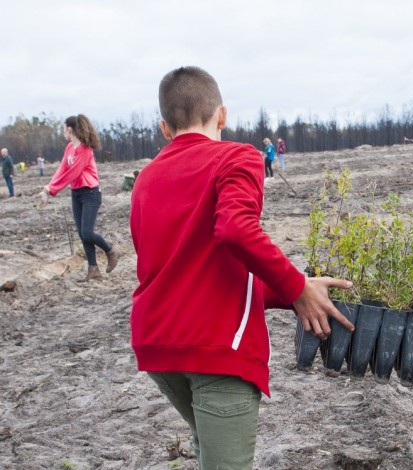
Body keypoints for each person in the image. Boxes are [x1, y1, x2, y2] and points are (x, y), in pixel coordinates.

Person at [129, 66, 355, 469]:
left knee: (207, 449)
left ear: (164, 128)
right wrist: (296, 286)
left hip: (157, 346)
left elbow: (189, 269)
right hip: (216, 349)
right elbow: (235, 229)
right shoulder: (236, 156)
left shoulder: (146, 178)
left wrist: (292, 291)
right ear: (222, 115)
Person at [40, 115, 119, 281]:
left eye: (63, 128)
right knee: (82, 234)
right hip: (76, 193)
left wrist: (52, 190)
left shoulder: (85, 149)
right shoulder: (69, 148)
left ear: (70, 129)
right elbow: (62, 169)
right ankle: (93, 269)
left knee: (87, 232)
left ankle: (110, 250)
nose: (62, 132)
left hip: (90, 193)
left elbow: (72, 173)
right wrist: (48, 188)